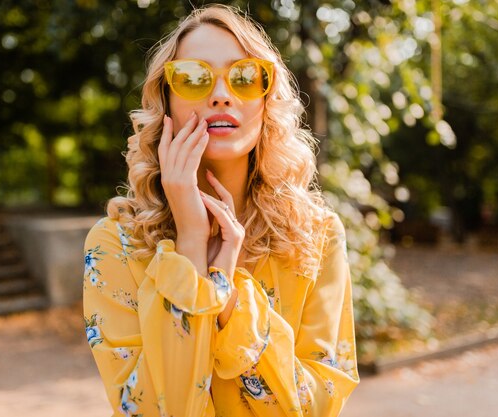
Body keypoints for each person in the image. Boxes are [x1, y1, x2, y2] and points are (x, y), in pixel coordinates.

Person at [83, 4, 359, 416]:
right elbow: (153, 410)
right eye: (193, 78)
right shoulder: (117, 244)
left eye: (245, 76)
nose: (220, 94)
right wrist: (191, 245)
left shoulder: (316, 235)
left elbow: (315, 407)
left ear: (267, 100)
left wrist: (226, 300)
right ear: (166, 101)